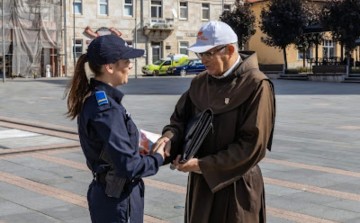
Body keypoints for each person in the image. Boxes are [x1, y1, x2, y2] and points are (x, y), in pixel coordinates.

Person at [153, 21, 276, 222]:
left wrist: (203, 165)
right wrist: (168, 139)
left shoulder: (257, 85)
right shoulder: (200, 82)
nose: (203, 60)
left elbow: (252, 145)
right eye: (200, 54)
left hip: (236, 185)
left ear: (228, 50)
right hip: (201, 184)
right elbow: (179, 121)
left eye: (208, 54)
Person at [65, 34, 168, 223]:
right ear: (110, 67)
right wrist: (158, 157)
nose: (130, 65)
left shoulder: (97, 100)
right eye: (127, 60)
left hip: (109, 196)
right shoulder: (107, 109)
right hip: (118, 200)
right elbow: (129, 166)